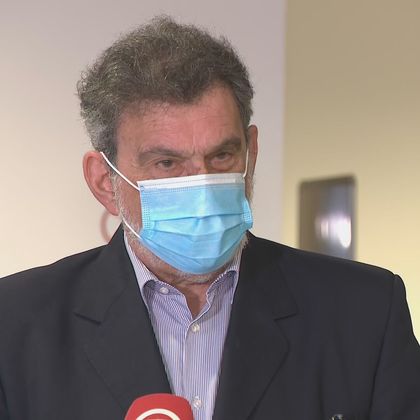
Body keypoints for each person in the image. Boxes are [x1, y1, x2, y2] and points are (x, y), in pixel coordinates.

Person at [0, 16, 419, 420]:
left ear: (251, 153)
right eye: (167, 163)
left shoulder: (363, 311)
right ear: (104, 181)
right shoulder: (16, 324)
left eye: (221, 155)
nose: (201, 185)